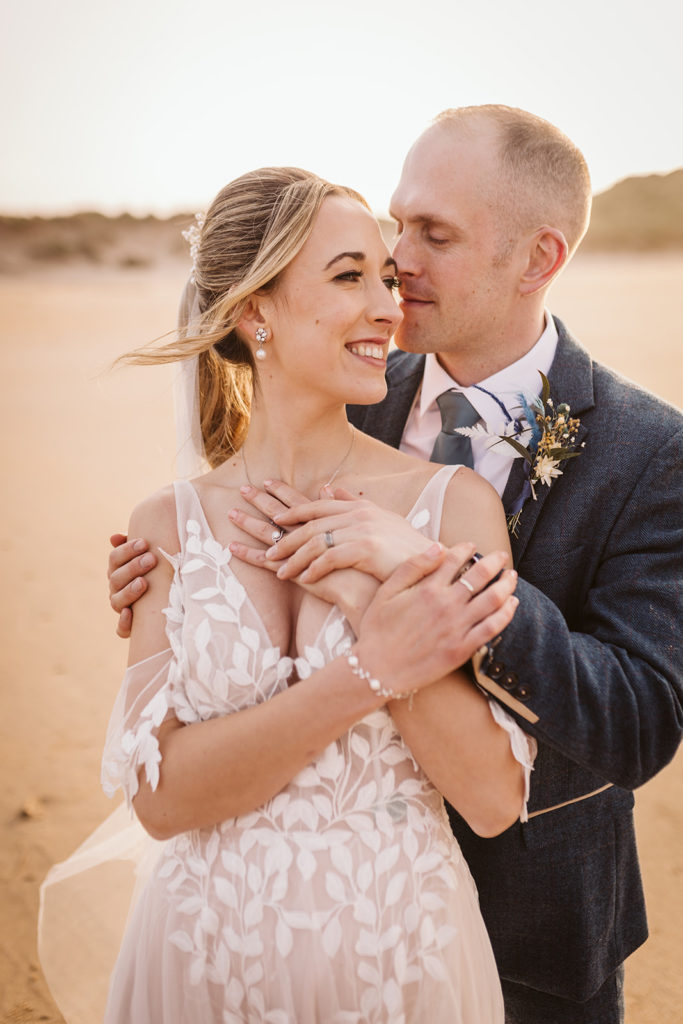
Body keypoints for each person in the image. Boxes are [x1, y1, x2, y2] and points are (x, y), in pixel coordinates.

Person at [109, 108, 683, 1024]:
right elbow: (165, 774)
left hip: (513, 932)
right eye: (392, 231)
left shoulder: (648, 449)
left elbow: (639, 718)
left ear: (537, 259)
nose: (399, 265)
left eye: (432, 235)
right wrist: (182, 596)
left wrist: (419, 578)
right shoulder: (351, 390)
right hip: (215, 942)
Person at [74, 166, 539, 1024]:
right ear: (256, 311)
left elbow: (489, 798)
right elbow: (164, 800)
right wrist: (375, 667)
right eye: (349, 275)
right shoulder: (166, 527)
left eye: (388, 278)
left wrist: (371, 590)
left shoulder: (450, 508)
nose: (386, 306)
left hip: (401, 957)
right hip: (198, 957)